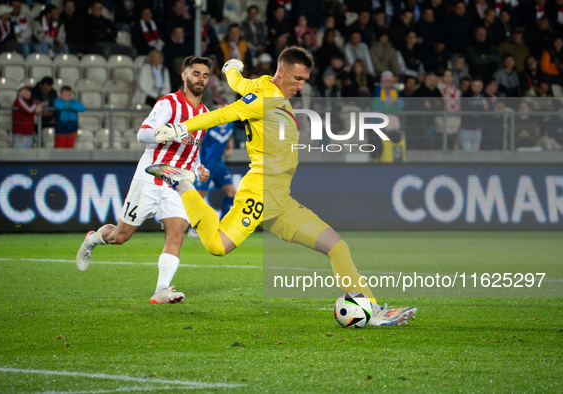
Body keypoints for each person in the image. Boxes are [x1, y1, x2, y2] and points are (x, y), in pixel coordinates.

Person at [145, 48, 417, 326]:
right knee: (216, 246)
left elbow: (239, 83)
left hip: (281, 199)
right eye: (297, 78)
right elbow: (223, 114)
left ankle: (373, 311)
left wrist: (230, 69)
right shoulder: (265, 97)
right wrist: (179, 129)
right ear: (282, 71)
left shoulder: (261, 84)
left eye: (305, 80)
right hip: (260, 191)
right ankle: (182, 184)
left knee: (337, 247)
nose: (301, 86)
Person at [76, 56, 213, 304]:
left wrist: (199, 167)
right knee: (120, 236)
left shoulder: (204, 114)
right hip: (149, 179)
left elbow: (193, 151)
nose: (200, 79)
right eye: (196, 74)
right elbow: (142, 133)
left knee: (177, 233)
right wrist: (171, 132)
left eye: (205, 75)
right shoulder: (169, 103)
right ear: (184, 75)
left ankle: (161, 289)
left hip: (176, 183)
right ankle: (93, 238)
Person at [190, 102, 236, 237]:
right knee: (199, 197)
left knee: (232, 193)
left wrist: (229, 148)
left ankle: (223, 225)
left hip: (219, 164)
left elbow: (229, 137)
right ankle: (194, 228)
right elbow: (199, 143)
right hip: (206, 164)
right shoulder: (210, 124)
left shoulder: (230, 124)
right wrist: (197, 163)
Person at [459, 78, 489, 151]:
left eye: (479, 86)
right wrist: (482, 108)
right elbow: (466, 108)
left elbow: (490, 109)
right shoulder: (465, 95)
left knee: (476, 154)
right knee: (468, 154)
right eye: (474, 86)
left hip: (478, 129)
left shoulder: (485, 96)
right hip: (466, 129)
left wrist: (479, 108)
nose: (476, 88)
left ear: (482, 87)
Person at [12, 83, 42, 148]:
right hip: (20, 133)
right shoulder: (19, 99)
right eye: (25, 90)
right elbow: (29, 110)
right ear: (19, 92)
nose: (27, 92)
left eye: (28, 91)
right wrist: (37, 104)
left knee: (27, 155)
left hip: (29, 132)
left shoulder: (28, 102)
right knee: (19, 155)